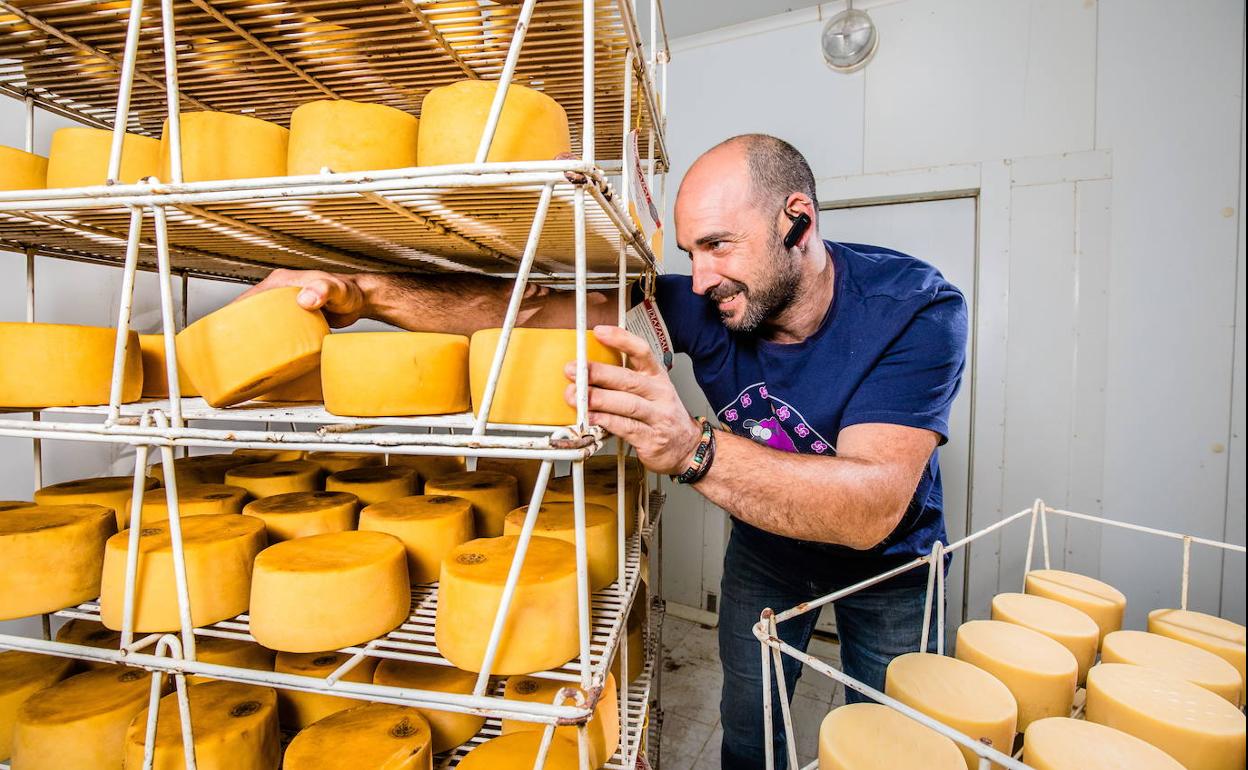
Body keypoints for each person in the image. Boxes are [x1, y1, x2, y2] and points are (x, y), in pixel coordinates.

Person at [240, 134, 967, 768]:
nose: (703, 277)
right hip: (769, 547)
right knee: (751, 717)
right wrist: (363, 292)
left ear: (797, 221)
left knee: (894, 734)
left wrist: (692, 450)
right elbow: (520, 309)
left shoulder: (915, 310)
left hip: (891, 568)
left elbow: (870, 507)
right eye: (690, 252)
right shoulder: (702, 302)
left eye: (718, 244)